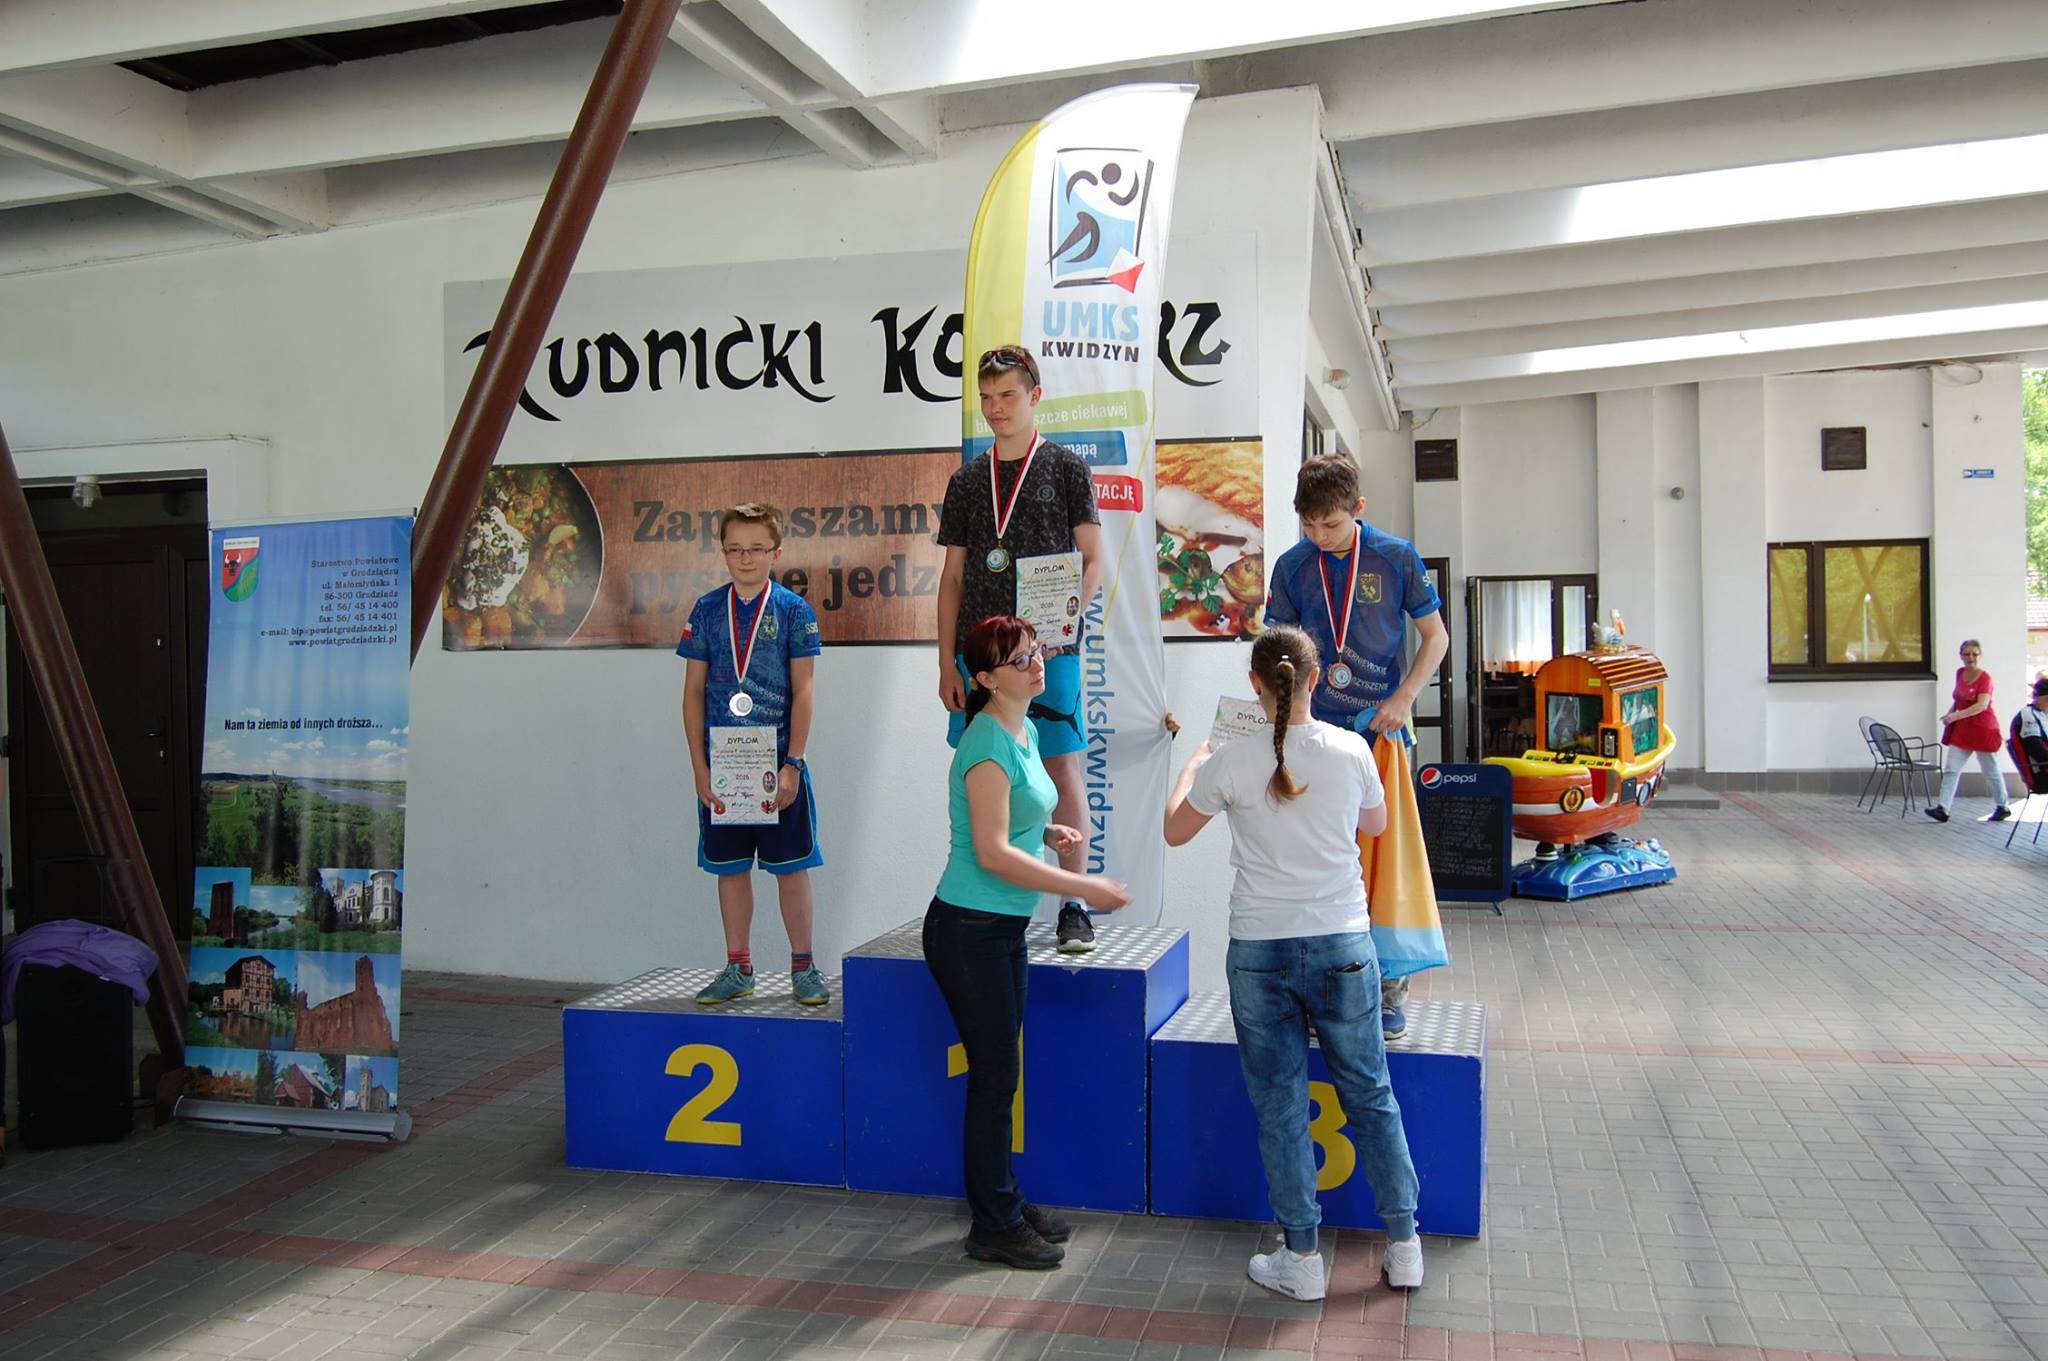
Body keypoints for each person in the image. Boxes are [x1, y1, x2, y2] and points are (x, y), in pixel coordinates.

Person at [1163, 624, 1424, 1299]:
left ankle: (1302, 1257)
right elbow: (1376, 825)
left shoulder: (1230, 761)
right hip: (1344, 944)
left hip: (1260, 951)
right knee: (1370, 1093)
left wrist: (1192, 767)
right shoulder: (1351, 749)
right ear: (1315, 679)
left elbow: (1174, 830)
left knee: (1280, 1105)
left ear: (1255, 684)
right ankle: (1405, 1246)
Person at [925, 615, 1130, 1269]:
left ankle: (1003, 1201)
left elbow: (1011, 818)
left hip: (1001, 927)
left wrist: (1046, 833)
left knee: (1001, 1075)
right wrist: (1083, 886)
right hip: (968, 929)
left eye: (1036, 652)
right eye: (1019, 660)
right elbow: (990, 852)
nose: (1037, 664)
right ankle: (994, 1223)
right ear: (985, 679)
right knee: (993, 1079)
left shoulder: (1026, 727)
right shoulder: (985, 743)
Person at [1265, 456, 1448, 1039]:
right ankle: (1319, 989)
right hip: (1315, 733)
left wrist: (1405, 697)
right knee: (1319, 858)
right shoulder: (1293, 566)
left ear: (1358, 510)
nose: (1320, 536)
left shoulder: (1396, 557)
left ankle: (1388, 989)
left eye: (1332, 525)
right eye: (1309, 526)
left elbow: (1436, 637)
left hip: (1380, 732)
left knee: (1383, 856)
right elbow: (1277, 650)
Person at [937, 346, 1106, 954]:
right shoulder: (966, 480)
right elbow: (953, 579)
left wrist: (1063, 624)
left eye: (1007, 395)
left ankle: (1074, 904)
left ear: (1035, 395)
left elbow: (1093, 558)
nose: (995, 408)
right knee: (983, 770)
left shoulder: (1067, 469)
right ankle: (982, 899)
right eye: (986, 398)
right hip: (980, 656)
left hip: (1048, 655)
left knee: (1061, 771)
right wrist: (945, 661)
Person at [678, 503, 829, 1005]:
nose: (746, 558)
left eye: (757, 549)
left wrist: (794, 763)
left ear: (776, 552)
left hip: (778, 764)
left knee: (791, 866)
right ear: (723, 552)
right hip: (723, 767)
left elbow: (804, 692)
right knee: (730, 868)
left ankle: (804, 968)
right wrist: (699, 768)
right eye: (736, 549)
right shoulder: (705, 610)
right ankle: (738, 967)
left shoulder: (794, 611)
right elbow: (692, 692)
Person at [1926, 638, 2013, 824]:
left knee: (1990, 770)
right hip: (1962, 730)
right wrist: (1950, 713)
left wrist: (1955, 716)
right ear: (1961, 655)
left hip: (1983, 729)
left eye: (1974, 654)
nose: (1970, 657)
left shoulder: (1985, 678)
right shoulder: (1960, 673)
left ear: (1980, 655)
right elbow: (1958, 699)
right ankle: (1943, 808)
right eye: (1966, 654)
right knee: (1951, 769)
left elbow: (1982, 705)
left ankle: (2003, 805)